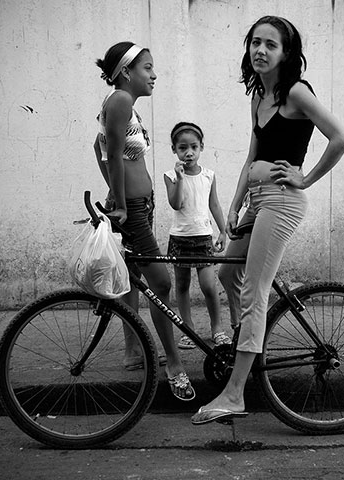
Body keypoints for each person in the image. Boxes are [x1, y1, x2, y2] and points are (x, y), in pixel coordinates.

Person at [191, 16, 344, 424]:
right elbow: (251, 158)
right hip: (257, 199)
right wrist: (232, 205)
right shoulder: (258, 96)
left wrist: (306, 177)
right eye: (255, 43)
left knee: (254, 294)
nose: (260, 51)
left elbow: (341, 138)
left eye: (270, 45)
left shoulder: (297, 93)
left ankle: (235, 393)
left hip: (282, 201)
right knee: (229, 275)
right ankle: (246, 346)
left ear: (286, 53)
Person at [93, 41, 195, 401]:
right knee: (161, 284)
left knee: (134, 276)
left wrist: (116, 194)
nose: (154, 74)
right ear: (126, 73)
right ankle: (174, 364)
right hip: (133, 207)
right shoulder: (120, 101)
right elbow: (113, 155)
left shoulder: (124, 106)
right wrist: (119, 203)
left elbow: (98, 147)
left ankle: (133, 351)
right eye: (147, 68)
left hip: (139, 204)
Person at [163, 122, 230, 350]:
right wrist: (180, 179)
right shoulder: (170, 176)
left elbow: (214, 204)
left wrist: (223, 230)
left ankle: (217, 328)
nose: (188, 152)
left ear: (201, 147)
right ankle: (187, 330)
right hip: (180, 238)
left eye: (193, 147)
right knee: (181, 285)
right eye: (183, 148)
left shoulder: (209, 175)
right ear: (174, 150)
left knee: (208, 285)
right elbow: (176, 203)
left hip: (203, 237)